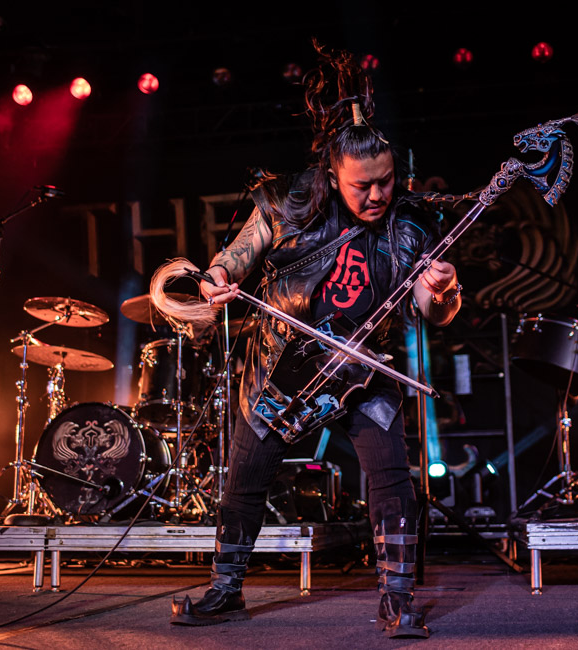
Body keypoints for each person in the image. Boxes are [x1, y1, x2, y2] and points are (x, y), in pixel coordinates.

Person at [163, 44, 460, 638]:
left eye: (386, 182)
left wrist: (444, 289)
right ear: (332, 176)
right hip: (284, 364)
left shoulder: (411, 223)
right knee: (245, 478)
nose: (377, 195)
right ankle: (226, 590)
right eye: (362, 186)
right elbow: (234, 258)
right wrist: (216, 279)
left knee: (390, 478)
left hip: (362, 368)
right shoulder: (289, 202)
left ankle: (397, 600)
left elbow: (436, 311)